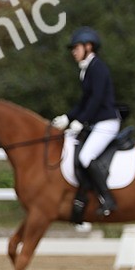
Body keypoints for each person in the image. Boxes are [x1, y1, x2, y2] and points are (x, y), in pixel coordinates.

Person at [52, 26, 120, 216]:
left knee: (85, 157)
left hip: (106, 122)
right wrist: (68, 117)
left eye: (76, 47)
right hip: (96, 121)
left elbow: (96, 99)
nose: (74, 51)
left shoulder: (97, 67)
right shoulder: (87, 68)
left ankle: (107, 199)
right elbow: (84, 101)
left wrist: (81, 121)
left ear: (88, 47)